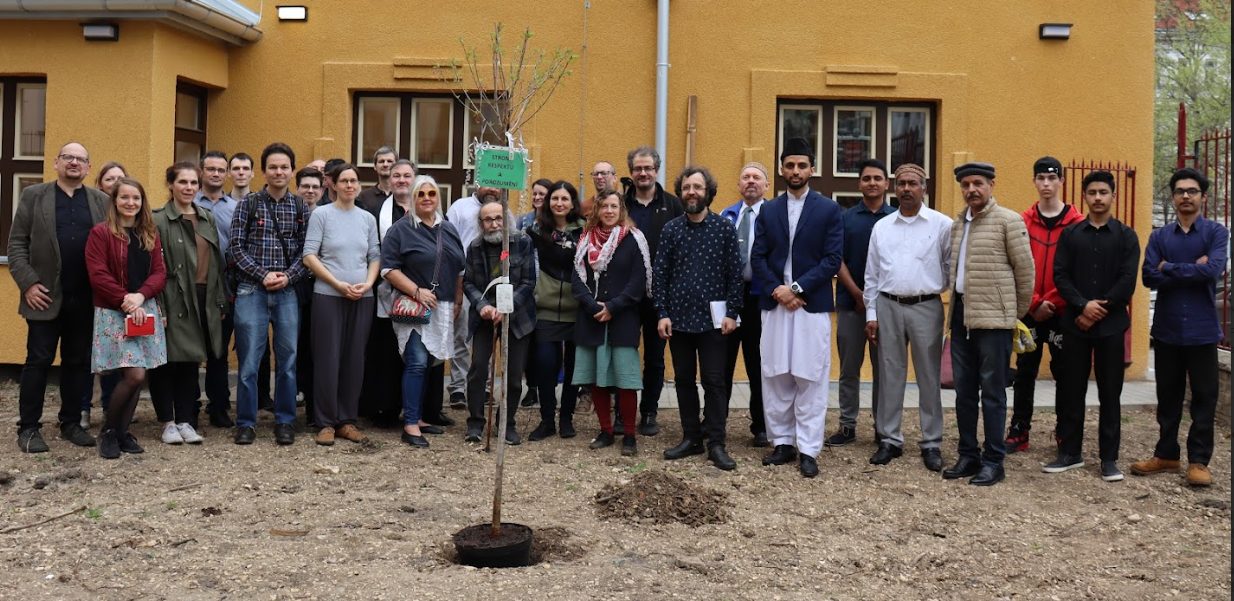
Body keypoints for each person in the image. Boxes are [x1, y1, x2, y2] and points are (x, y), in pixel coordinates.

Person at [749, 137, 844, 479]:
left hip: (810, 303)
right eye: (789, 165)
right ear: (781, 169)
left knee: (810, 375)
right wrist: (778, 290)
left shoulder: (829, 209)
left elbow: (832, 258)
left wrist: (797, 288)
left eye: (802, 165)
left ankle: (808, 448)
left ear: (812, 169)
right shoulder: (769, 209)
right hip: (775, 303)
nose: (795, 171)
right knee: (775, 374)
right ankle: (783, 443)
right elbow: (757, 256)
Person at [9, 142, 109, 453]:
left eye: (81, 159)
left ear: (89, 168)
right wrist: (28, 284)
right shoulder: (34, 196)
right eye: (68, 158)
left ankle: (69, 424)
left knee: (77, 363)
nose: (74, 163)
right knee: (37, 362)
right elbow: (16, 246)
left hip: (85, 298)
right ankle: (28, 428)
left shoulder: (101, 201)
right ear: (56, 163)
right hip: (44, 297)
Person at [1132, 167, 1229, 487]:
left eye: (1192, 191)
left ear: (1203, 196)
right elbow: (1149, 276)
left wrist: (1168, 268)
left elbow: (1212, 272)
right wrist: (1189, 268)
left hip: (1202, 331)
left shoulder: (1216, 233)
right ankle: (1167, 455)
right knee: (1168, 396)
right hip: (1168, 329)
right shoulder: (1159, 236)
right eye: (1180, 191)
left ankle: (1199, 461)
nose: (1186, 196)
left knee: (1204, 397)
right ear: (1173, 197)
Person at [943, 162, 1034, 486]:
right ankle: (968, 455)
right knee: (963, 392)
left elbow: (1026, 274)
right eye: (966, 185)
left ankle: (994, 460)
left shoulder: (1009, 221)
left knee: (993, 393)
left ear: (991, 184)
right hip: (962, 317)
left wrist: (1013, 315)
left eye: (977, 183)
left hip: (994, 322)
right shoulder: (958, 224)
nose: (971, 190)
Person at [1048, 170, 1140, 482]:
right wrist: (1082, 305)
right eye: (1092, 193)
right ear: (1084, 197)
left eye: (1103, 192)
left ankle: (1109, 459)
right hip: (1074, 325)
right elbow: (1061, 275)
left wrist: (1099, 309)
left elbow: (1128, 280)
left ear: (1113, 196)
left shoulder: (1127, 236)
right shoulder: (1071, 235)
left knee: (1110, 393)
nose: (1098, 198)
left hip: (1112, 328)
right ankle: (1070, 453)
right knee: (1071, 390)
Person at [861, 164, 952, 472]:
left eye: (913, 183)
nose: (907, 189)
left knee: (928, 375)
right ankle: (890, 439)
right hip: (888, 305)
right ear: (894, 188)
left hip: (927, 305)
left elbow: (951, 268)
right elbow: (871, 275)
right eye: (901, 184)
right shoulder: (883, 227)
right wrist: (871, 313)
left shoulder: (941, 225)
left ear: (924, 188)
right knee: (890, 374)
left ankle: (931, 442)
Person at [655, 166, 742, 471]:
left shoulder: (724, 229)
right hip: (677, 320)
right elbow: (661, 276)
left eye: (698, 187)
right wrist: (662, 313)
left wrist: (733, 313)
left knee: (715, 382)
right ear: (680, 193)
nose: (692, 192)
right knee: (682, 380)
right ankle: (691, 437)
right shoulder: (671, 230)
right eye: (686, 187)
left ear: (708, 192)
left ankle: (716, 443)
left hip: (714, 322)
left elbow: (735, 275)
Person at [228, 142, 309, 446]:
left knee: (287, 361)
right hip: (251, 290)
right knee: (249, 362)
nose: (278, 172)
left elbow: (307, 251)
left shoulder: (300, 207)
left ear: (291, 170)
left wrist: (288, 276)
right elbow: (235, 248)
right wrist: (264, 275)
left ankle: (285, 421)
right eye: (273, 167)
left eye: (284, 167)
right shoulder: (247, 204)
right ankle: (246, 422)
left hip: (288, 291)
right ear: (263, 171)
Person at [84, 177, 168, 458]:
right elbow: (98, 275)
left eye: (136, 198)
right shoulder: (101, 233)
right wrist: (126, 301)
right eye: (124, 198)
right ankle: (109, 431)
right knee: (134, 373)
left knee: (138, 371)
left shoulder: (149, 233)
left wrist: (141, 296)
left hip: (144, 309)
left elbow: (159, 273)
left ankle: (120, 432)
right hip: (114, 311)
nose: (130, 203)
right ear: (114, 200)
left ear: (142, 202)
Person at [381, 175, 467, 448]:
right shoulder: (401, 229)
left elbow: (460, 269)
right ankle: (409, 424)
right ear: (413, 198)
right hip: (415, 306)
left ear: (438, 198)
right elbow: (388, 269)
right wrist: (416, 291)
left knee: (433, 363)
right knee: (417, 362)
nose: (427, 198)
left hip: (443, 306)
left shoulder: (449, 229)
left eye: (432, 193)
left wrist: (457, 300)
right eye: (421, 194)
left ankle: (418, 418)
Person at [1006, 156, 1084, 453]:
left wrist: (1054, 300)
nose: (1047, 184)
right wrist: (1035, 302)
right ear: (1035, 182)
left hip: (1063, 311)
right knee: (1025, 371)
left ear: (1062, 181)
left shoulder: (1077, 224)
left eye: (1052, 178)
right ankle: (1019, 429)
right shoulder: (1022, 221)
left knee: (1065, 372)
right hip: (1030, 310)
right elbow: (1015, 265)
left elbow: (1077, 270)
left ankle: (1065, 431)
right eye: (1041, 178)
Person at [149, 162, 227, 446]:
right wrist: (159, 306)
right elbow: (152, 265)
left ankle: (185, 420)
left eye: (193, 183)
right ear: (170, 184)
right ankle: (167, 422)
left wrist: (219, 300)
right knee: (167, 361)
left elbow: (216, 261)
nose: (189, 188)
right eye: (183, 182)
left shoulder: (206, 217)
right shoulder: (157, 218)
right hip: (172, 296)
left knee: (192, 361)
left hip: (203, 296)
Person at [302, 163, 381, 446]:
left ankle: (346, 420)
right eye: (344, 181)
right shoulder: (322, 215)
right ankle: (325, 423)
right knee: (327, 359)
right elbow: (309, 255)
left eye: (354, 181)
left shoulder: (367, 219)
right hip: (328, 296)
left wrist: (369, 283)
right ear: (333, 185)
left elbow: (374, 255)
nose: (350, 185)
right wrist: (337, 284)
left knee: (354, 360)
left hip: (362, 297)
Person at [573, 189, 653, 456]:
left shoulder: (633, 239)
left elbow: (638, 281)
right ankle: (606, 431)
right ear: (597, 210)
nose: (609, 211)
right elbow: (577, 279)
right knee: (597, 379)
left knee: (626, 381)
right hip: (592, 318)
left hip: (623, 319)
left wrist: (614, 307)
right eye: (604, 206)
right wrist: (593, 306)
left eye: (614, 206)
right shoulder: (585, 240)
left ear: (622, 210)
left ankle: (629, 434)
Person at [828, 158, 895, 448]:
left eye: (877, 178)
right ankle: (847, 425)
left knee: (884, 370)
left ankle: (883, 428)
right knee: (849, 368)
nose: (872, 183)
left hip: (887, 307)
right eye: (866, 178)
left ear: (886, 184)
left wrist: (874, 300)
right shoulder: (845, 218)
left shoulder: (895, 217)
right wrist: (858, 295)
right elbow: (836, 258)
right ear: (859, 183)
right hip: (850, 303)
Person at [462, 202, 536, 445]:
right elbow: (469, 283)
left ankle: (507, 424)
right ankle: (475, 423)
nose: (494, 223)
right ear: (481, 224)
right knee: (478, 369)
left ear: (507, 220)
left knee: (514, 376)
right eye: (488, 219)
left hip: (517, 316)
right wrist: (483, 305)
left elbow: (528, 282)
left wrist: (506, 308)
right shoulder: (474, 247)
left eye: (498, 218)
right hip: (485, 316)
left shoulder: (523, 242)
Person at [623, 146, 684, 436]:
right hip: (626, 295)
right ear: (631, 172)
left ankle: (649, 412)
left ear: (656, 170)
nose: (643, 173)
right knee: (624, 353)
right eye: (637, 169)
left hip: (661, 295)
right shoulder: (621, 205)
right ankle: (624, 413)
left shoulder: (673, 205)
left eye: (648, 168)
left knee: (656, 358)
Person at [526, 181, 586, 441]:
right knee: (546, 366)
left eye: (565, 198)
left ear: (573, 203)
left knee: (574, 369)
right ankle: (547, 419)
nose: (559, 203)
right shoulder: (535, 231)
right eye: (554, 198)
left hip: (577, 309)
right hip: (545, 308)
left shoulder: (586, 232)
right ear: (548, 202)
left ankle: (566, 419)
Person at [361, 159, 417, 426]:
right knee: (386, 351)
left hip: (418, 291)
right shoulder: (375, 211)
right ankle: (384, 408)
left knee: (418, 350)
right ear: (389, 180)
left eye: (407, 175)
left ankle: (421, 410)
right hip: (385, 290)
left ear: (415, 179)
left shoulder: (427, 207)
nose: (402, 180)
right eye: (397, 176)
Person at [720, 162, 771, 448]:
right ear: (739, 185)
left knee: (758, 365)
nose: (750, 181)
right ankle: (715, 423)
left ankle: (761, 426)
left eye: (756, 178)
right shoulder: (727, 215)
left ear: (766, 185)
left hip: (759, 299)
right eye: (745, 177)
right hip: (729, 299)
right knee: (722, 365)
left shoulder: (773, 216)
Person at [80, 161, 129, 429]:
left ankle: (112, 407)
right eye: (109, 179)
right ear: (100, 185)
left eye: (120, 178)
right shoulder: (93, 215)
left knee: (115, 354)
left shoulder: (131, 215)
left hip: (120, 299)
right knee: (88, 353)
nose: (114, 183)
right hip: (92, 294)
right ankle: (83, 407)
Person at [194, 150, 239, 429]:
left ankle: (219, 406)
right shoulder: (187, 203)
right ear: (201, 171)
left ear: (228, 174)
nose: (215, 174)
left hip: (226, 287)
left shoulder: (235, 208)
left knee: (218, 352)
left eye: (221, 170)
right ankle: (188, 406)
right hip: (194, 287)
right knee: (189, 351)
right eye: (210, 169)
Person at [446, 185, 501, 409]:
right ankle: (458, 387)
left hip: (494, 286)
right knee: (460, 335)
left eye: (497, 183)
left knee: (486, 339)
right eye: (487, 181)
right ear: (477, 182)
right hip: (464, 281)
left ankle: (485, 386)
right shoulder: (460, 207)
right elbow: (449, 242)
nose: (492, 188)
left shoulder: (505, 211)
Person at [518, 178, 553, 409]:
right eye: (535, 194)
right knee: (529, 343)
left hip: (549, 286)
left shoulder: (554, 222)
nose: (537, 198)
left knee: (545, 345)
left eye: (542, 194)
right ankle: (531, 389)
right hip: (528, 285)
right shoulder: (523, 221)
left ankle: (545, 387)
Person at [356, 146, 398, 215]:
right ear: (375, 166)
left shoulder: (402, 194)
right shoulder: (364, 196)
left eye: (389, 161)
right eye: (381, 161)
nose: (385, 164)